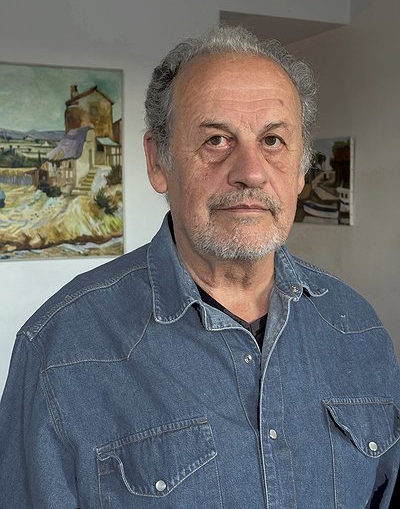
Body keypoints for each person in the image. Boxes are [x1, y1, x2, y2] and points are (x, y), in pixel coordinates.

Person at [0, 26, 399, 508]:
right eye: (216, 139)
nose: (250, 172)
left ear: (300, 170)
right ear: (158, 162)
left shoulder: (359, 330)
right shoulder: (59, 352)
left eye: (273, 140)